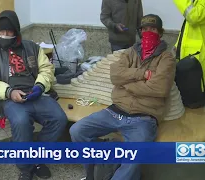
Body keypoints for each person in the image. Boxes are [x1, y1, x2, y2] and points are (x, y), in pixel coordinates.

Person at [70, 14, 176, 180]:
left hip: (144, 117)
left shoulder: (166, 58)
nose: (148, 33)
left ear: (160, 33)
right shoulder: (130, 52)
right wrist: (143, 74)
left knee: (134, 157)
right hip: (116, 110)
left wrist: (126, 84)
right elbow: (115, 75)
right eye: (145, 29)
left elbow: (159, 88)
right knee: (77, 131)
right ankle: (93, 175)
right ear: (140, 32)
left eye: (153, 29)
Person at [0, 10, 68, 180]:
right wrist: (9, 92)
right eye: (0, 32)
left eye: (8, 32)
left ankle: (38, 158)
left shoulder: (33, 48)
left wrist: (40, 86)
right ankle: (25, 168)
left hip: (36, 93)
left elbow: (47, 69)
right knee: (20, 121)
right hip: (9, 98)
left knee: (59, 118)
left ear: (16, 31)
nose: (4, 35)